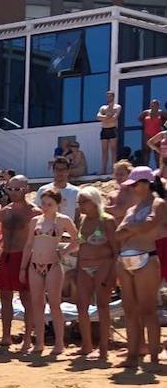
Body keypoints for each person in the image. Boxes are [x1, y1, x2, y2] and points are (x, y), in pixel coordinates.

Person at [115, 166, 165, 368]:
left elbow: (148, 225)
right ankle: (133, 355)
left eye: (135, 184)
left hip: (146, 257)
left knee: (148, 310)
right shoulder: (132, 209)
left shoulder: (158, 203)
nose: (132, 188)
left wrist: (130, 229)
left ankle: (152, 357)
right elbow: (118, 233)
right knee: (130, 310)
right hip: (126, 259)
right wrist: (134, 229)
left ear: (146, 184)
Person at [20, 190, 79, 356]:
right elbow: (28, 245)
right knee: (37, 303)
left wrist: (64, 252)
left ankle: (59, 343)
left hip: (53, 264)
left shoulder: (63, 220)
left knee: (54, 304)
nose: (45, 207)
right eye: (43, 203)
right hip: (34, 265)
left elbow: (77, 239)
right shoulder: (35, 221)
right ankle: (39, 342)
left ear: (57, 204)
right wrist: (23, 268)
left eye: (49, 204)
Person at [0, 175, 40, 351]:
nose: (13, 193)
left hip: (24, 256)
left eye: (17, 189)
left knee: (26, 298)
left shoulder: (33, 212)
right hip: (6, 255)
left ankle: (27, 338)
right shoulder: (4, 211)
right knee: (5, 297)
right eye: (10, 189)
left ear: (26, 189)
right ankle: (6, 336)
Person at [74, 187, 118, 361]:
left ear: (94, 201)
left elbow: (116, 250)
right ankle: (86, 345)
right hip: (84, 266)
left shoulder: (106, 220)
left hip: (103, 265)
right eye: (79, 202)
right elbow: (81, 247)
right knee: (81, 306)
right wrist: (77, 269)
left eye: (84, 201)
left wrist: (112, 274)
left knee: (102, 306)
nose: (81, 205)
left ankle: (104, 347)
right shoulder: (83, 220)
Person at [36, 156, 80, 222]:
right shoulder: (43, 190)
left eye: (63, 169)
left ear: (68, 171)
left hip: (68, 229)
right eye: (57, 169)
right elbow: (39, 212)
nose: (60, 172)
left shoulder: (76, 192)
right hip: (48, 229)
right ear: (53, 171)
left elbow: (77, 216)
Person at [97, 91, 121, 174]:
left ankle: (113, 170)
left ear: (113, 97)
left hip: (112, 129)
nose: (108, 98)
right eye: (107, 96)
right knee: (104, 151)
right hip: (104, 130)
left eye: (110, 96)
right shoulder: (103, 107)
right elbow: (98, 117)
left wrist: (105, 118)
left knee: (113, 150)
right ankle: (103, 170)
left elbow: (114, 118)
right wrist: (107, 116)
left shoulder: (117, 107)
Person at [139, 100, 166, 167]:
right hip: (147, 135)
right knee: (146, 152)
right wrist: (145, 124)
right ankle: (145, 168)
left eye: (156, 105)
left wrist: (163, 125)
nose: (154, 106)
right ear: (150, 105)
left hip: (157, 135)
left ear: (158, 105)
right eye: (152, 105)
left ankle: (158, 168)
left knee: (157, 152)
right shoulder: (146, 112)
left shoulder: (162, 113)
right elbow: (140, 118)